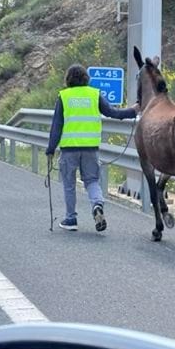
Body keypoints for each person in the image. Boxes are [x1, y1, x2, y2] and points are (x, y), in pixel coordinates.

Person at [45, 64, 137, 232]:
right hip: (91, 149)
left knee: (69, 184)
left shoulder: (63, 96)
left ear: (68, 79)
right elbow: (112, 113)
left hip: (69, 149)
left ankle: (71, 219)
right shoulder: (94, 94)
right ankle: (97, 205)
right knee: (92, 181)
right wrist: (133, 111)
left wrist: (50, 149)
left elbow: (57, 126)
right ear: (86, 78)